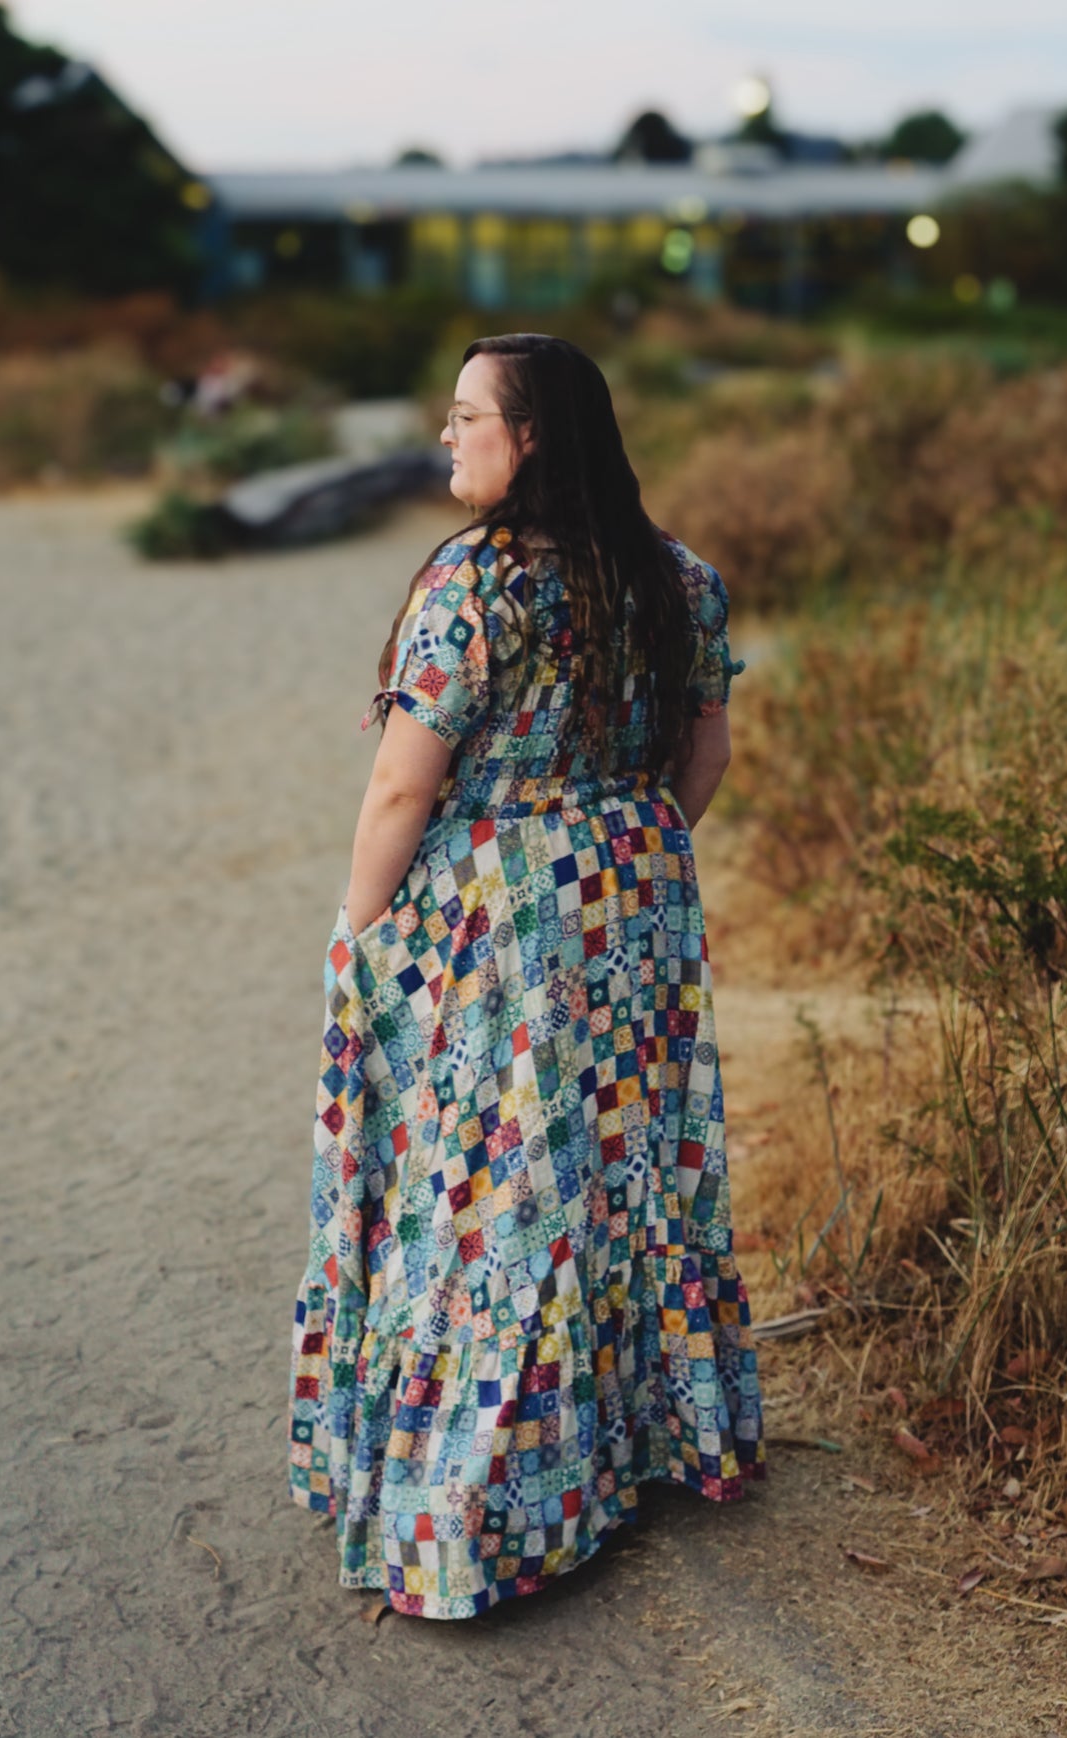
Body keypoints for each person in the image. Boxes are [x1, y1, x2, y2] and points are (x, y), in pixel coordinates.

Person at [287, 333, 767, 1620]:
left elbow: (403, 779)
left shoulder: (475, 582)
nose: (449, 437)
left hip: (501, 915)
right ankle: (648, 1439)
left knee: (490, 1204)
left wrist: (360, 925)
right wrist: (626, 849)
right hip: (635, 893)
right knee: (619, 1177)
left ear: (533, 434)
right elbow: (706, 750)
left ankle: (477, 1510)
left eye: (466, 416)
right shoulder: (681, 579)